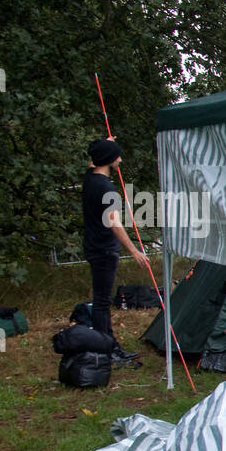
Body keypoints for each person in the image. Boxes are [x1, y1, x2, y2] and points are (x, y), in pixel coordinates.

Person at [83, 138, 150, 366]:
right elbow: (115, 223)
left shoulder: (90, 178)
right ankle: (107, 350)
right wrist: (134, 251)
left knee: (101, 301)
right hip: (103, 250)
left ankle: (108, 345)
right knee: (102, 302)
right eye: (117, 156)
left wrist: (106, 143)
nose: (120, 159)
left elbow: (93, 157)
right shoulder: (105, 187)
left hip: (94, 247)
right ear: (109, 159)